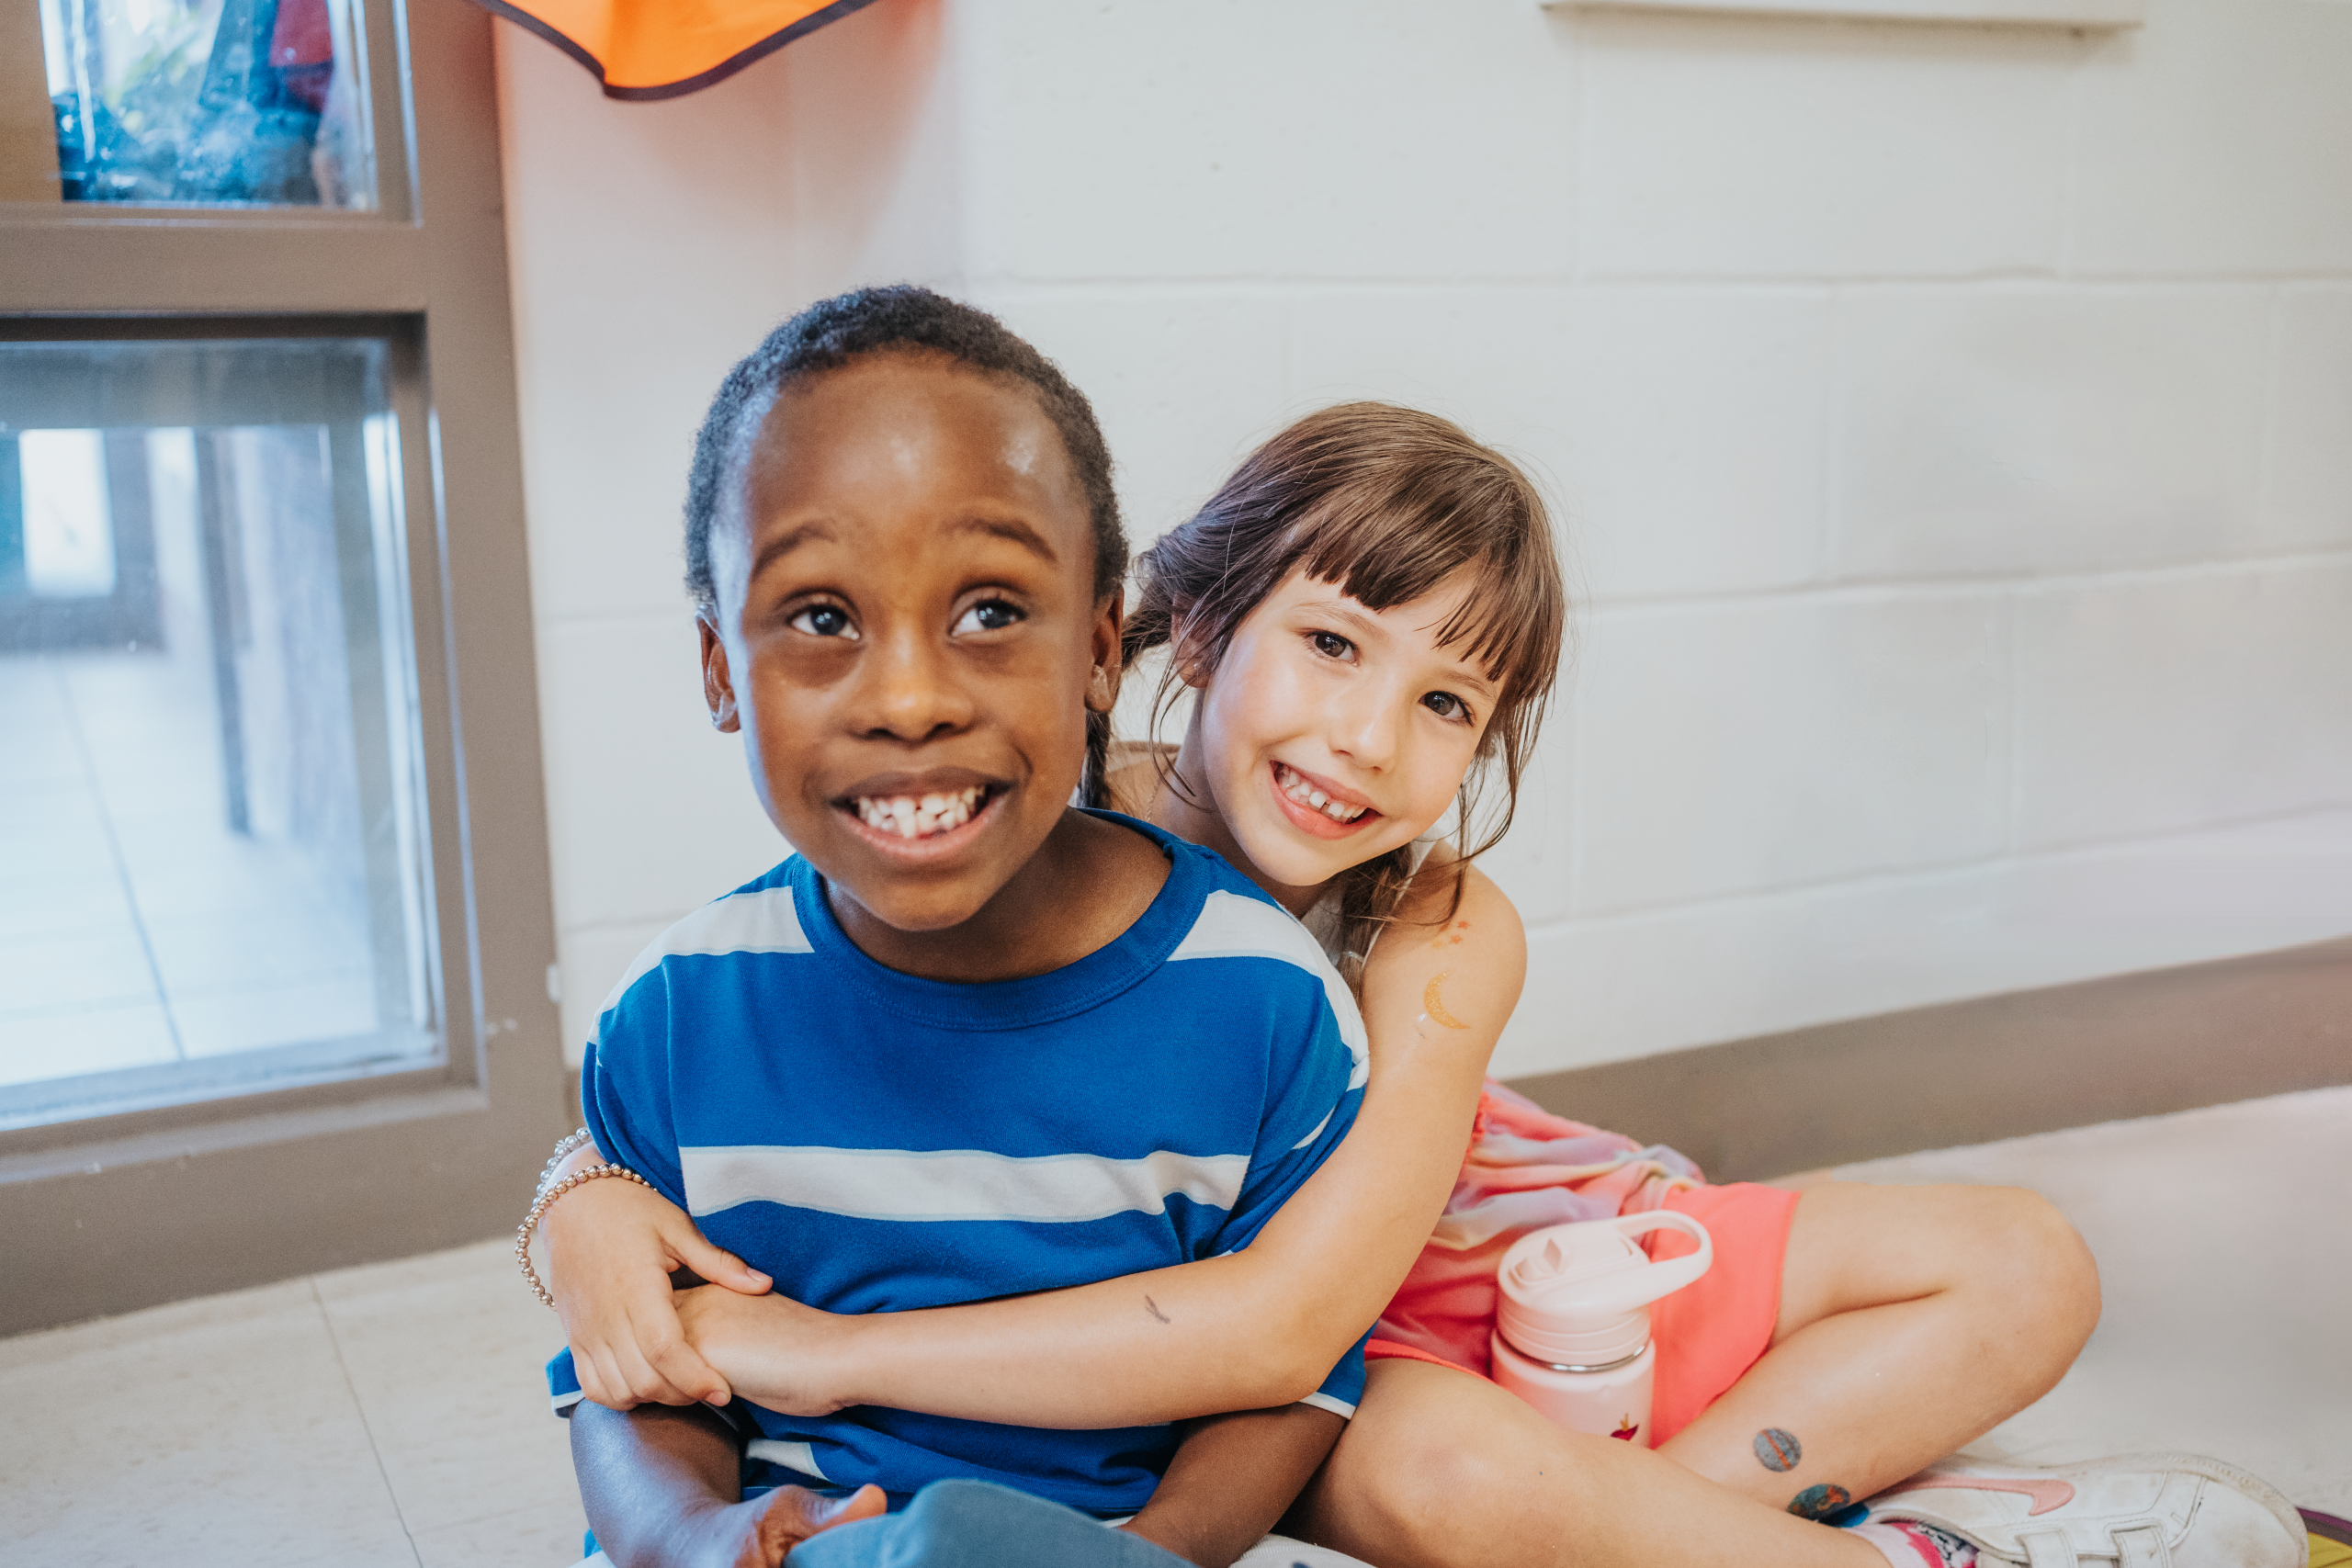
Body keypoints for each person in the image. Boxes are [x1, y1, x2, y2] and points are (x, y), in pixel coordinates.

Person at [532, 350, 2306, 1568]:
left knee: (2029, 1261)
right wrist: (574, 1194)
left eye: (1446, 698)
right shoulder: (1047, 806)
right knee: (1456, 1466)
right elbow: (785, 1011)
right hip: (1330, 1386)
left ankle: (1680, 1530)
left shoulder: (1444, 923)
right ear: (1182, 626)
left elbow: (1305, 1295)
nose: (1370, 739)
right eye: (1330, 641)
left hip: (1510, 1266)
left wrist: (828, 1359)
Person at [543, 283, 1384, 1568]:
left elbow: (1293, 1378)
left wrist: (1154, 1550)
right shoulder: (677, 1015)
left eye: (990, 610)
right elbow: (630, 1373)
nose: (912, 698)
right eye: (822, 618)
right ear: (721, 668)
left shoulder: (1263, 1002)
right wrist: (690, 1534)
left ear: (1100, 648)